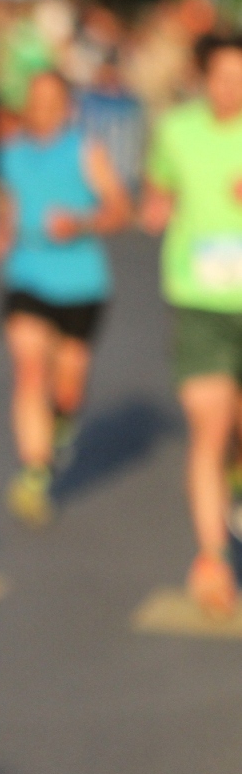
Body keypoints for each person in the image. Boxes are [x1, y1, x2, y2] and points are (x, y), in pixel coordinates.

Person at [0, 71, 129, 527]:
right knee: (30, 369)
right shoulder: (10, 153)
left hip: (81, 283)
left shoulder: (86, 151)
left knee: (67, 387)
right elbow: (10, 205)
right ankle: (34, 473)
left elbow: (120, 209)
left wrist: (80, 224)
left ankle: (62, 422)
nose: (43, 109)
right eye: (36, 100)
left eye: (52, 101)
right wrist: (2, 232)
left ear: (68, 107)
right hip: (27, 276)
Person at [141, 35, 242, 617]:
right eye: (223, 77)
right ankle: (212, 557)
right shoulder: (177, 130)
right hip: (200, 299)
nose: (232, 89)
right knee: (210, 427)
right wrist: (156, 206)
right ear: (203, 78)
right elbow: (160, 186)